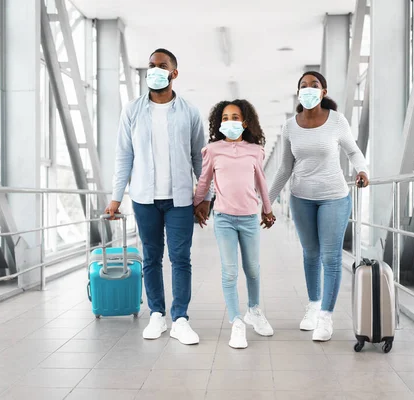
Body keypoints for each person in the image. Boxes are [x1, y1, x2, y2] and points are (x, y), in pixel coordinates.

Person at [105, 48, 212, 345]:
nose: (154, 69)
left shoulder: (189, 112)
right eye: (151, 65)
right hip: (143, 198)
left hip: (179, 199)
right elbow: (123, 156)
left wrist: (205, 197)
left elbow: (199, 158)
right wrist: (116, 197)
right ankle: (156, 314)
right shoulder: (132, 110)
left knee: (180, 258)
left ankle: (180, 319)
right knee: (151, 258)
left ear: (173, 73)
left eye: (161, 65)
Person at [268, 71, 369, 342]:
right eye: (304, 86)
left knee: (331, 257)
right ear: (298, 92)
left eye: (314, 86)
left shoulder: (336, 121)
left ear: (323, 92)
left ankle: (326, 316)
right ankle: (312, 306)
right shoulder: (291, 126)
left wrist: (361, 169)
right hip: (301, 198)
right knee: (310, 254)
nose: (309, 89)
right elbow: (285, 168)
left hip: (334, 196)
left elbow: (353, 150)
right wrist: (266, 201)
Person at [193, 100, 275, 349]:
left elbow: (261, 181)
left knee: (252, 269)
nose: (230, 122)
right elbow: (204, 180)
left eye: (235, 117)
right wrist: (198, 204)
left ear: (245, 122)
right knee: (229, 271)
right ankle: (236, 322)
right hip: (224, 218)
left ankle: (254, 311)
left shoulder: (255, 150)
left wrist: (268, 209)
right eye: (225, 118)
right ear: (220, 123)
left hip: (250, 218)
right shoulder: (213, 150)